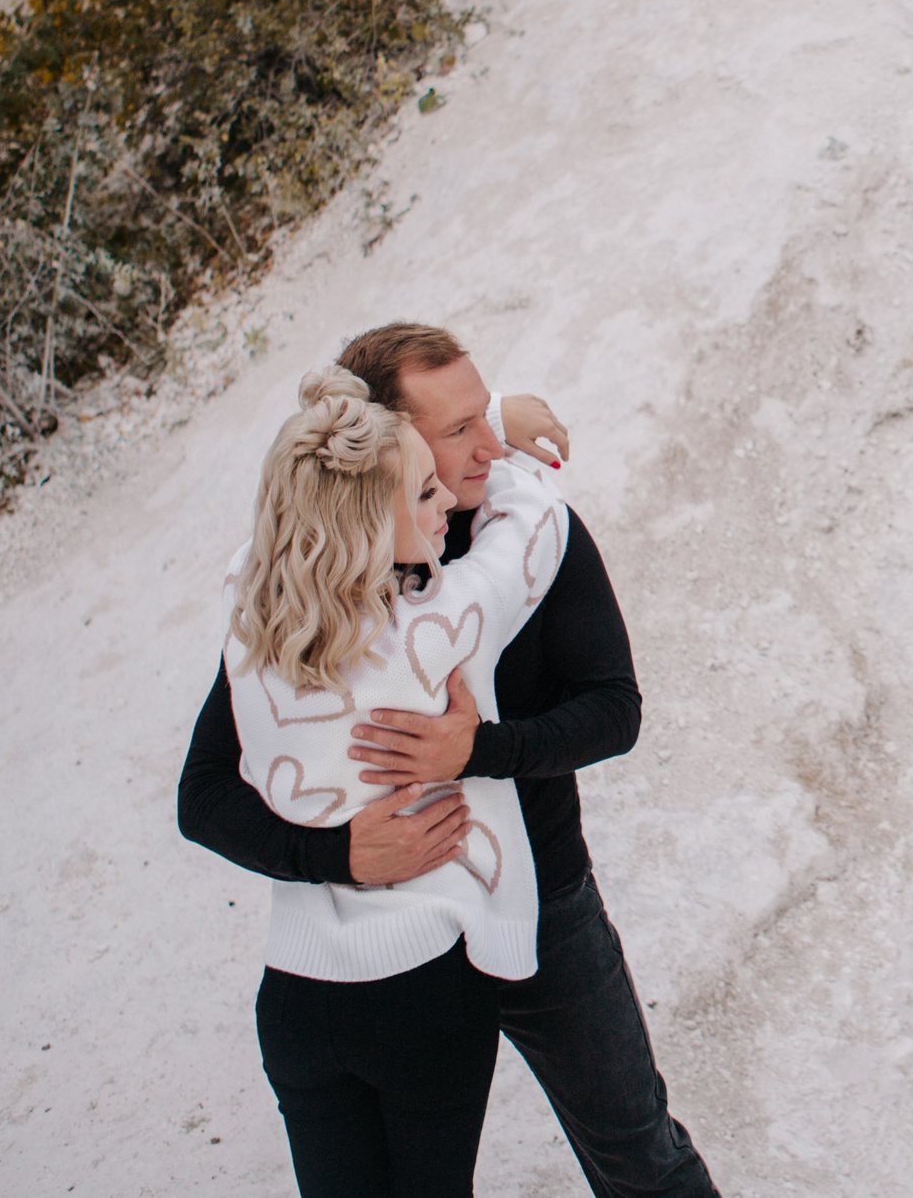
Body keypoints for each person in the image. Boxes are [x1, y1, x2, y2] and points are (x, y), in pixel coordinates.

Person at [180, 324, 720, 1198]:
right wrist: (336, 855)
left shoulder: (535, 534)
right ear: (379, 445)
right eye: (460, 429)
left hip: (544, 908)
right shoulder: (312, 584)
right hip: (396, 961)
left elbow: (615, 709)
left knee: (638, 1153)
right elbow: (204, 793)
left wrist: (482, 750)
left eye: (487, 416)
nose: (490, 446)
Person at [222, 366, 566, 1195]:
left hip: (297, 1001)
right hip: (421, 994)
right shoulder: (440, 627)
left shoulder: (251, 623)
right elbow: (535, 528)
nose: (444, 503)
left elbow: (287, 508)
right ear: (371, 522)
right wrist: (500, 426)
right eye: (422, 495)